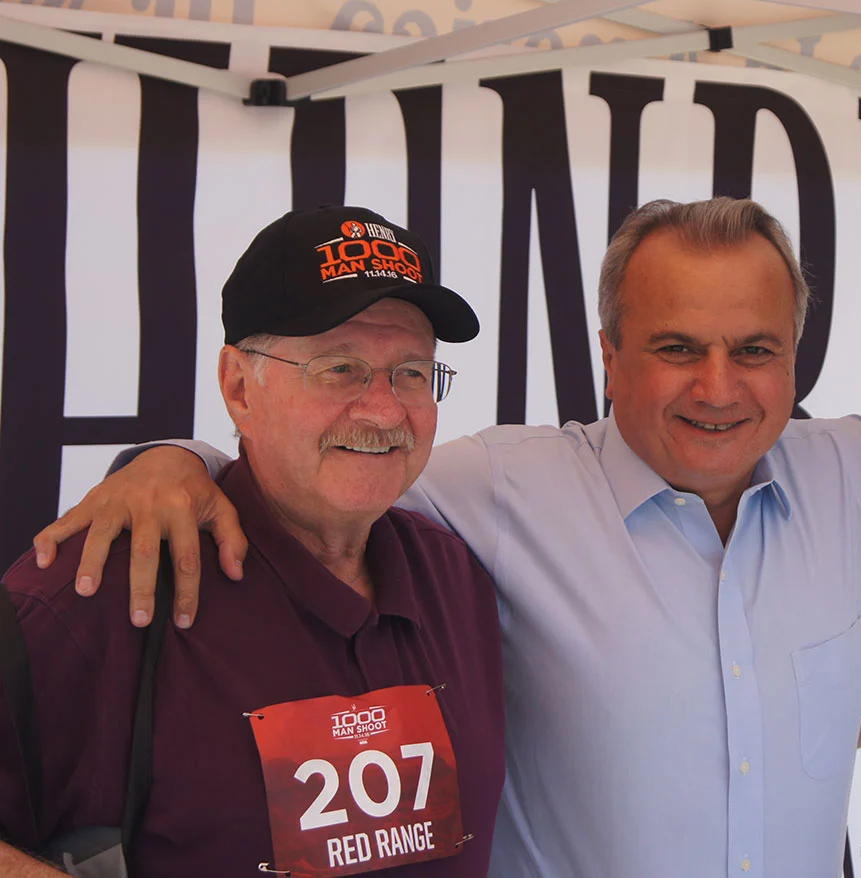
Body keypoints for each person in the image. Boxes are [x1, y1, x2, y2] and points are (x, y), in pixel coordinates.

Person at [29, 197, 861, 877]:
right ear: (607, 353)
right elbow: (319, 472)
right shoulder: (487, 493)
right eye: (674, 347)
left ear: (797, 355)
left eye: (754, 348)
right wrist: (174, 460)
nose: (718, 385)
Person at [0, 207, 505, 876]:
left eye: (411, 373)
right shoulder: (92, 594)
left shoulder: (456, 578)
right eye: (339, 368)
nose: (385, 410)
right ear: (239, 386)